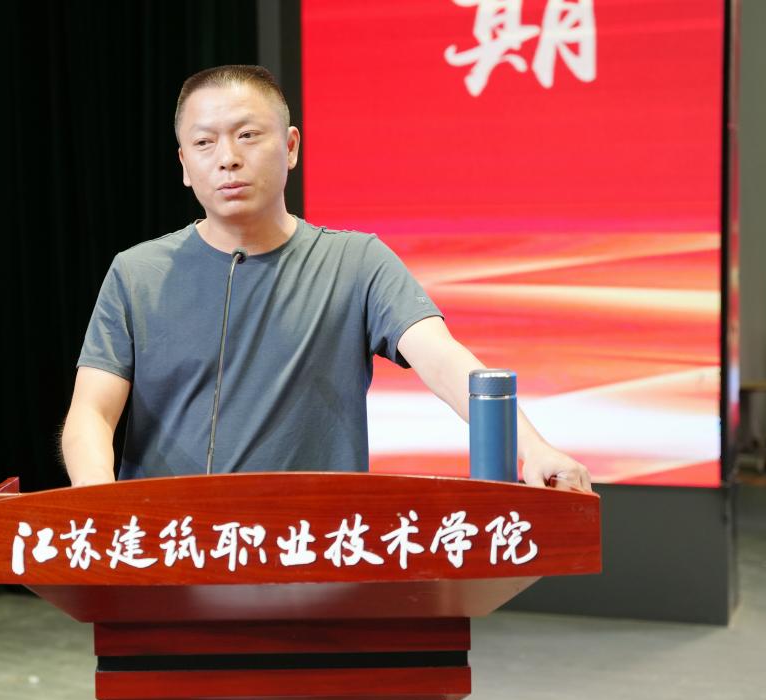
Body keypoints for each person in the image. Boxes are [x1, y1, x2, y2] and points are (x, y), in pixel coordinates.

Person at [61, 65, 592, 493]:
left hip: (313, 547)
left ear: (291, 146)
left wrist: (533, 447)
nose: (228, 159)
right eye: (204, 143)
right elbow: (92, 411)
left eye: (248, 135)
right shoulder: (138, 272)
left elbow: (445, 361)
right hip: (168, 547)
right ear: (183, 163)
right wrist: (96, 499)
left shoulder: (356, 261)